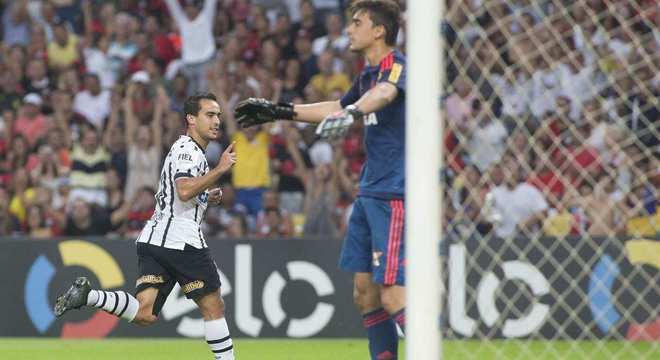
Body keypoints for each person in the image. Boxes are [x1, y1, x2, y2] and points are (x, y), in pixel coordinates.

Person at [234, 1, 405, 358]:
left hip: (395, 193)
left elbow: (385, 94)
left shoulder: (397, 66)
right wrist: (280, 111)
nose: (348, 29)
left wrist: (356, 111)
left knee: (391, 294)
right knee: (365, 294)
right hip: (370, 192)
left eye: (357, 22)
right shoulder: (366, 75)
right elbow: (338, 107)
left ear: (379, 31)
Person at [54, 93, 237, 360]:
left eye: (218, 115)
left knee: (144, 313)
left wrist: (205, 196)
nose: (217, 121)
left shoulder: (185, 149)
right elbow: (184, 190)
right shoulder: (188, 150)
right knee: (214, 307)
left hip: (154, 237)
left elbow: (178, 195)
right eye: (210, 115)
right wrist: (219, 169)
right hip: (180, 239)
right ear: (191, 119)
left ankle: (89, 296)